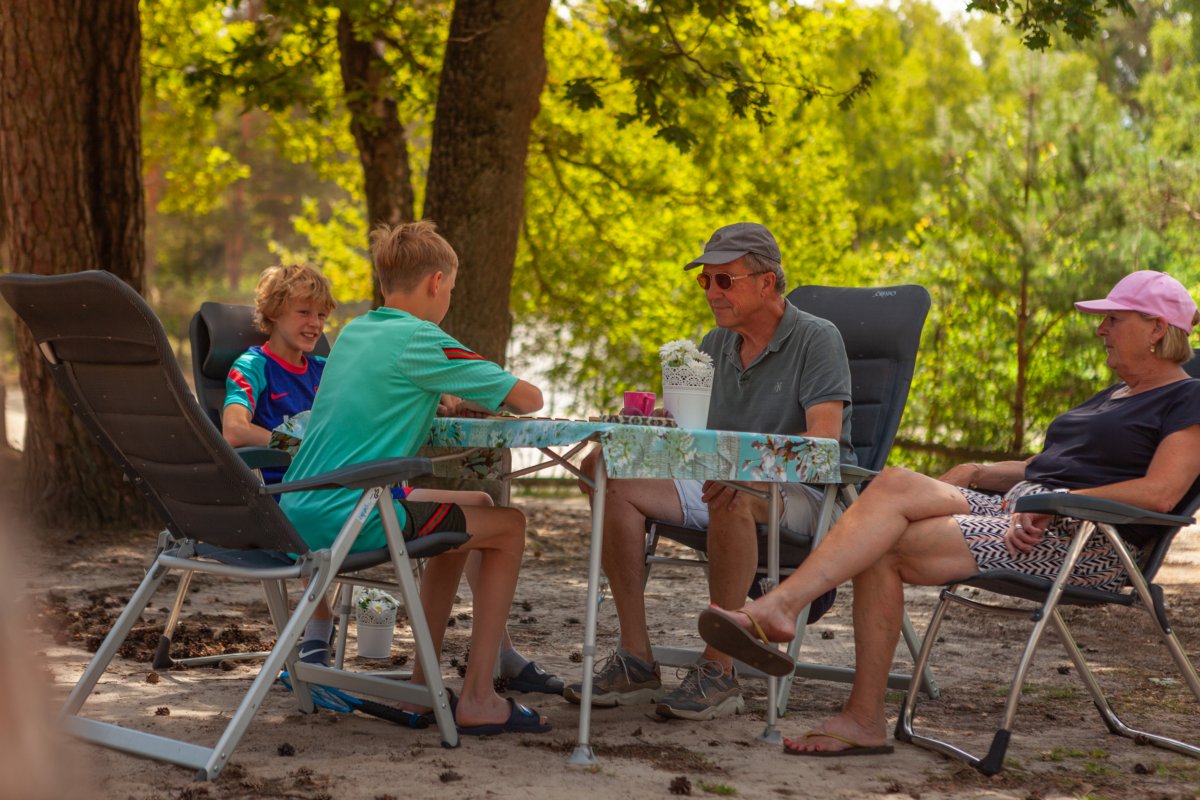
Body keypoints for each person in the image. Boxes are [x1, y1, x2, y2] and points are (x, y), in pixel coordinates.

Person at [698, 269, 1200, 755]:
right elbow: (1043, 465)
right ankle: (791, 620)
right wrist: (975, 470)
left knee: (885, 546)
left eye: (1115, 318)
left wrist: (1054, 503)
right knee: (894, 483)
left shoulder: (1187, 397)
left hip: (1084, 539)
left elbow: (1161, 493)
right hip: (1023, 508)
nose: (1101, 328)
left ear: (1157, 328)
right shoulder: (1114, 395)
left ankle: (818, 656)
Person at [223, 264, 564, 693]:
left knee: (479, 503)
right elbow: (234, 430)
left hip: (361, 486)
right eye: (303, 313)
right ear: (272, 312)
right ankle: (452, 678)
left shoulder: (331, 364)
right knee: (487, 523)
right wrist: (300, 449)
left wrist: (446, 402)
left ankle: (499, 651)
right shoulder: (254, 365)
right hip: (307, 492)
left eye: (321, 316)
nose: (315, 325)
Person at [564, 222, 856, 720]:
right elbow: (698, 442)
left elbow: (823, 447)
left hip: (809, 494)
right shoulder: (715, 344)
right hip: (723, 478)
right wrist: (662, 430)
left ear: (767, 281)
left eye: (725, 280)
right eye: (706, 281)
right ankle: (636, 659)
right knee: (607, 475)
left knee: (732, 489)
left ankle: (720, 670)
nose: (713, 293)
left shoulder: (816, 338)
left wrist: (745, 469)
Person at [278, 220, 552, 734]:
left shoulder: (356, 332)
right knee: (510, 526)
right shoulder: (423, 339)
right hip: (350, 517)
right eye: (450, 287)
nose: (448, 296)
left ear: (385, 284)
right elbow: (528, 399)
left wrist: (441, 393)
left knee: (474, 505)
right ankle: (478, 696)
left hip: (301, 508)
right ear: (435, 283)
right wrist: (457, 388)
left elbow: (387, 390)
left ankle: (422, 681)